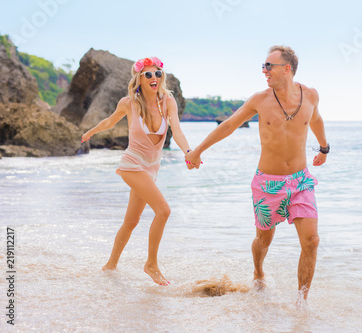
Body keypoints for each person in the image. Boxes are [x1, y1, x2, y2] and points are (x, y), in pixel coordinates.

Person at [185, 45, 329, 300]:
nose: (264, 71)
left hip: (300, 181)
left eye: (268, 66)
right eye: (263, 66)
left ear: (287, 69)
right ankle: (258, 272)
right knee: (263, 240)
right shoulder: (260, 100)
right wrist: (197, 151)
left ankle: (301, 303)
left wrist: (324, 148)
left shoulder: (311, 95)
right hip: (267, 184)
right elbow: (229, 125)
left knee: (312, 240)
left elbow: (315, 119)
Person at [82, 57, 193, 286]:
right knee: (163, 211)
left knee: (131, 221)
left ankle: (110, 266)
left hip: (152, 168)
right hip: (132, 164)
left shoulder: (168, 101)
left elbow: (178, 132)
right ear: (139, 79)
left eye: (158, 74)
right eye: (149, 74)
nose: (154, 78)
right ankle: (151, 264)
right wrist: (90, 132)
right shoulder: (128, 102)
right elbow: (110, 122)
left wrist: (188, 151)